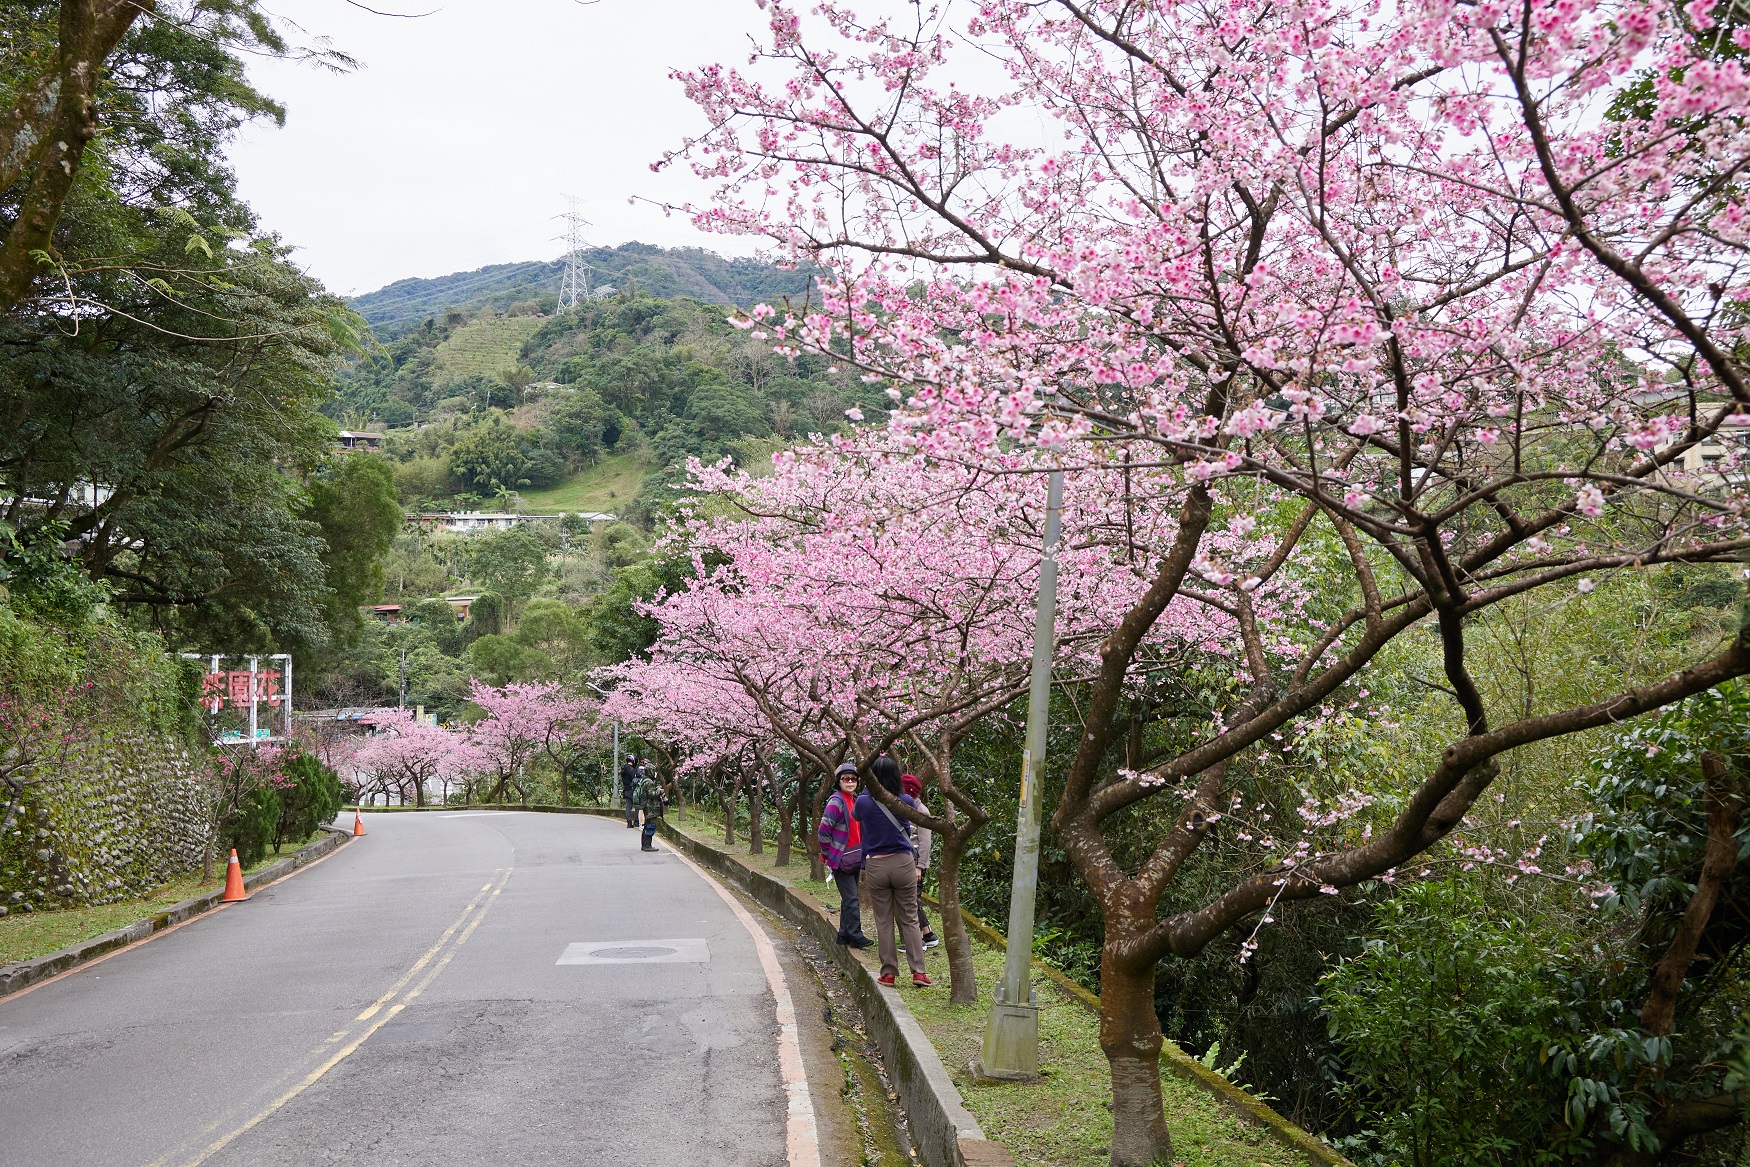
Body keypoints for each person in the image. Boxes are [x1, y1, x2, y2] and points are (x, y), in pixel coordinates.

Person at [856, 754, 931, 987]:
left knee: (884, 920)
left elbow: (857, 817)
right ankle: (919, 972)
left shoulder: (863, 801)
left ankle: (888, 973)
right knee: (909, 918)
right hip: (903, 863)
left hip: (876, 865)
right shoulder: (905, 801)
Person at [817, 762, 871, 948]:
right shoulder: (836, 801)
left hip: (855, 856)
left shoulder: (855, 800)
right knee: (851, 898)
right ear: (838, 782)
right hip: (841, 858)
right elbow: (823, 830)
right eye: (845, 779)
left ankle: (844, 934)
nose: (850, 782)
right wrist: (827, 854)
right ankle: (856, 935)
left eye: (853, 779)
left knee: (849, 897)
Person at [900, 773, 939, 949]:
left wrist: (920, 867)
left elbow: (925, 843)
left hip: (915, 864)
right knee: (914, 900)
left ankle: (918, 941)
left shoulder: (921, 811)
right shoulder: (907, 808)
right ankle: (928, 934)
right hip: (908, 861)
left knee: (910, 901)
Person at [634, 765, 666, 852]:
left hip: (645, 805)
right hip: (649, 807)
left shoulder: (644, 780)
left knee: (647, 825)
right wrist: (658, 791)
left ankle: (645, 844)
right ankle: (647, 845)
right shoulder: (649, 782)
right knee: (651, 825)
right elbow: (651, 794)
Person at [620, 754, 642, 828]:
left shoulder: (623, 768)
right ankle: (636, 821)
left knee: (628, 805)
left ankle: (629, 822)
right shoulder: (632, 770)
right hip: (633, 789)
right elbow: (635, 780)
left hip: (626, 789)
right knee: (637, 805)